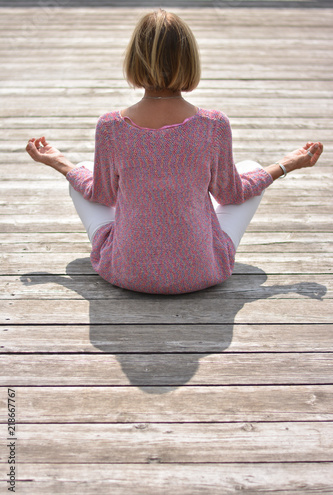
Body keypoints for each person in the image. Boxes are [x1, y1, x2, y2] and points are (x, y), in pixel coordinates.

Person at [26, 9, 323, 295]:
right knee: (250, 168)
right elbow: (231, 195)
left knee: (80, 171)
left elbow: (101, 195)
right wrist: (284, 165)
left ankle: (134, 238)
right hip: (202, 273)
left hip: (127, 272)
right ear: (189, 61)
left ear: (134, 61)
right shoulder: (213, 125)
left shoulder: (111, 127)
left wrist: (60, 163)